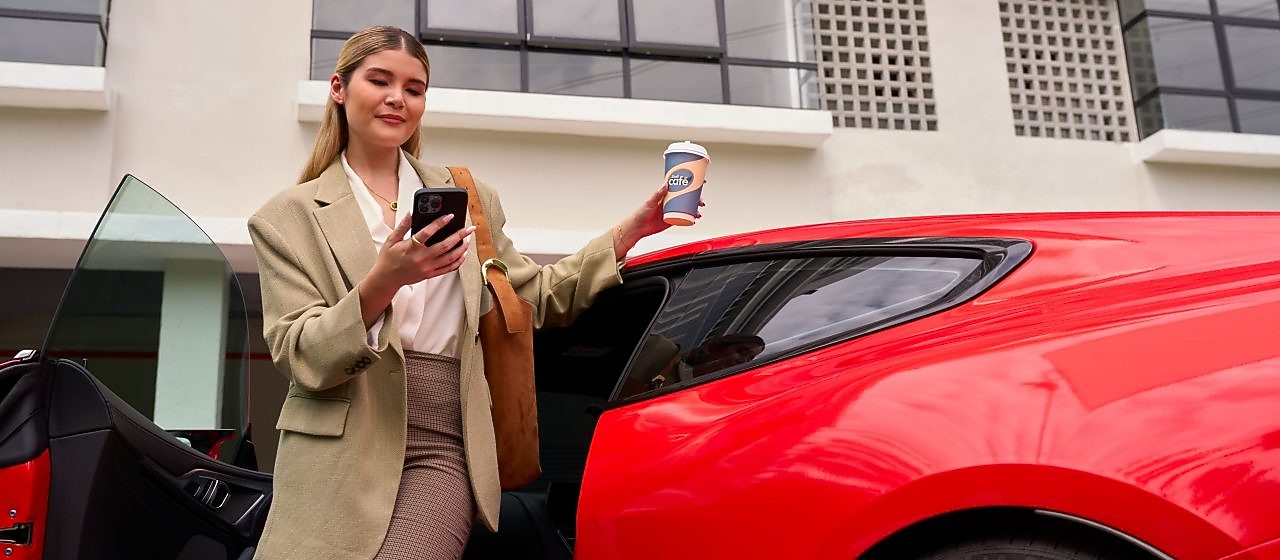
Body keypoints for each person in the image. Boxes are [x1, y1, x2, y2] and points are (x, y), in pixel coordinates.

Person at [248, 26, 689, 560]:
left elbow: (533, 297)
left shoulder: (467, 198)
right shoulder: (285, 218)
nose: (397, 99)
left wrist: (628, 233)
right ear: (339, 88)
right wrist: (385, 280)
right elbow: (300, 353)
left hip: (443, 441)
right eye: (380, 80)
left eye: (414, 88)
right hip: (337, 449)